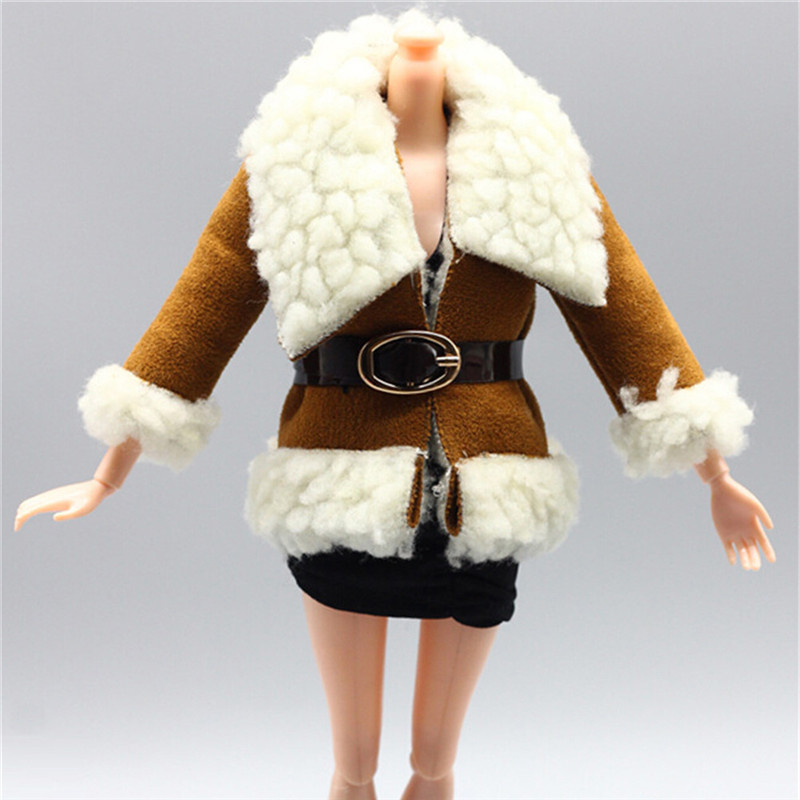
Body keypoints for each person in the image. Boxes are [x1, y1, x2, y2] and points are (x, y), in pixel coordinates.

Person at [15, 10, 775, 800]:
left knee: (435, 758)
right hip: (339, 469)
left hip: (487, 481)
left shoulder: (537, 165)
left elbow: (625, 315)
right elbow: (203, 307)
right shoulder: (293, 160)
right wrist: (109, 470)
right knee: (354, 760)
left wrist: (714, 473)